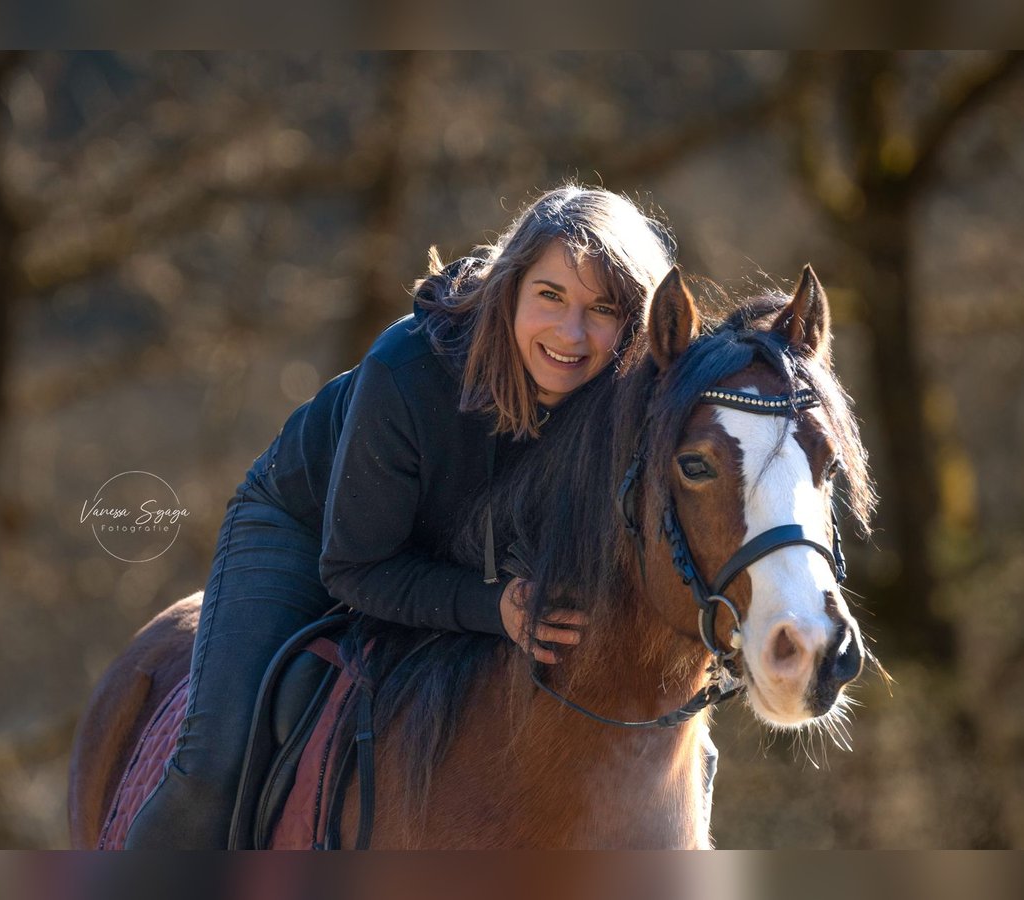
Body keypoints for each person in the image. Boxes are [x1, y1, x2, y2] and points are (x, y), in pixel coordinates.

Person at [124, 185, 677, 848]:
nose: (571, 333)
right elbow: (356, 570)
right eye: (550, 296)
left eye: (603, 310)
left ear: (635, 327)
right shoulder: (406, 371)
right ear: (510, 289)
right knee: (215, 759)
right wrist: (493, 607)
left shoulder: (627, 404)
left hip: (470, 560)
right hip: (314, 533)